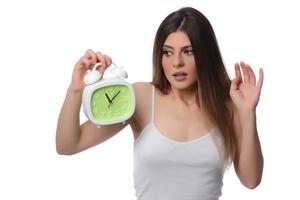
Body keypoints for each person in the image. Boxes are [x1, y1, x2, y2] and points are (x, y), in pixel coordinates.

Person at [56, 7, 264, 200]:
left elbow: (251, 180)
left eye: (188, 51)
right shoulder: (140, 97)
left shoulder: (227, 103)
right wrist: (75, 90)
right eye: (168, 52)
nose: (177, 62)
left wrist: (247, 114)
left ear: (205, 54)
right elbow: (68, 145)